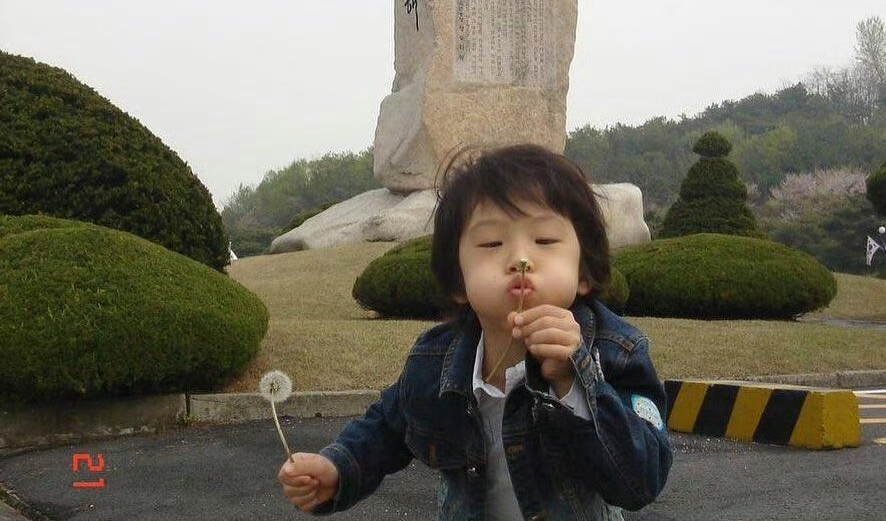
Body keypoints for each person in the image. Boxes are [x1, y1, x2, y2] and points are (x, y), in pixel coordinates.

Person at [278, 144, 673, 520]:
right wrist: (337, 467)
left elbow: (641, 480)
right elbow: (388, 425)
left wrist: (574, 381)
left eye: (546, 240)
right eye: (491, 242)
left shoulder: (615, 351)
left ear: (584, 272)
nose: (520, 258)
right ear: (457, 282)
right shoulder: (436, 360)